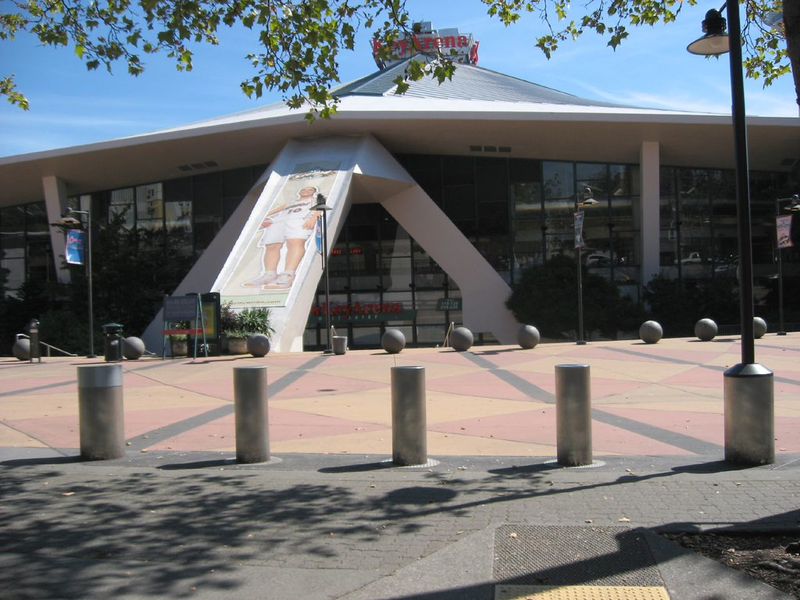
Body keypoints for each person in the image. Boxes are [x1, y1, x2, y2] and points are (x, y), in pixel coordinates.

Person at [242, 185, 322, 289]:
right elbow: (276, 210)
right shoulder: (291, 202)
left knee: (295, 243)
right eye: (303, 189)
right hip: (280, 221)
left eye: (309, 190)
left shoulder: (316, 200)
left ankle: (288, 275)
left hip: (299, 220)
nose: (306, 191)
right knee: (271, 246)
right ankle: (269, 274)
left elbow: (321, 207)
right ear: (299, 192)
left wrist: (314, 218)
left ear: (314, 192)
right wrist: (263, 217)